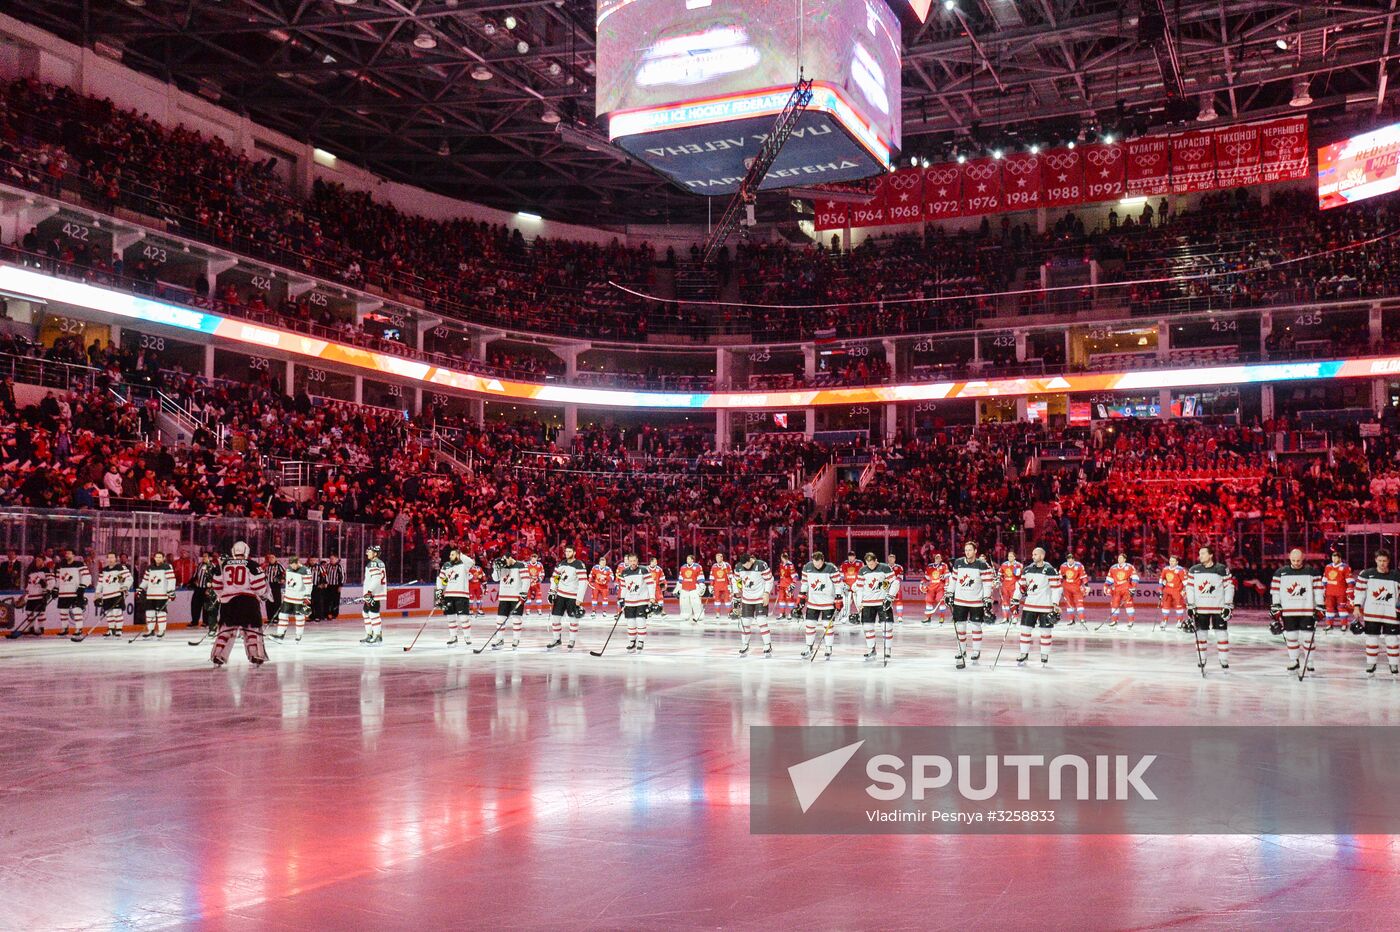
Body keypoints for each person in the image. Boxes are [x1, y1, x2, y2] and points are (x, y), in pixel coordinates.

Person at [209, 541, 270, 667]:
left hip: (228, 603)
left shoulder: (223, 565)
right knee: (251, 629)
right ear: (246, 551)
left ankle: (218, 655)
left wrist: (223, 594)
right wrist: (262, 594)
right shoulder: (252, 564)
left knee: (226, 630)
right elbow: (259, 586)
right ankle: (256, 654)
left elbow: (216, 585)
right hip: (248, 601)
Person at [1269, 548, 1323, 674]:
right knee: (1291, 637)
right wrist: (1276, 606)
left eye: (1298, 560)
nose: (1296, 562)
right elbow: (1275, 591)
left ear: (1303, 558)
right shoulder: (1281, 572)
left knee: (1308, 638)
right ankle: (1294, 661)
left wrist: (1320, 606)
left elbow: (1319, 590)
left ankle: (1309, 662)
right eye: (1293, 560)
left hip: (1307, 610)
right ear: (1289, 557)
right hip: (1288, 611)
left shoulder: (1312, 572)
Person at [1185, 545, 1235, 671]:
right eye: (1199, 553)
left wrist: (1228, 605)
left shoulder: (1221, 569)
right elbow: (1189, 588)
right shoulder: (1193, 570)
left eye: (1203, 553)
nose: (1200, 556)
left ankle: (1223, 660)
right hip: (1200, 609)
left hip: (1218, 608)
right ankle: (1201, 659)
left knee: (1222, 635)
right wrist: (1191, 605)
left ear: (1211, 555)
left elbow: (1229, 587)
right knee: (1201, 635)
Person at [1352, 550, 1400, 677]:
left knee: (1392, 640)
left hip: (1392, 615)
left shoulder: (1396, 576)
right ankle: (1371, 664)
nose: (1382, 563)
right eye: (1380, 561)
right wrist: (1357, 607)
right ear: (1375, 560)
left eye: (1384, 561)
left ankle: (1394, 665)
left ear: (1389, 561)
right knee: (1372, 639)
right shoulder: (1366, 574)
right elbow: (1359, 592)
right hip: (1372, 613)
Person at [1012, 547, 1062, 666]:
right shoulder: (1027, 570)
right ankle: (1024, 653)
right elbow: (1021, 586)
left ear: (1042, 556)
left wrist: (1055, 604)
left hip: (1045, 606)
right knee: (1025, 630)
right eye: (1033, 554)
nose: (1033, 556)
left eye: (1036, 554)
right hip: (1029, 606)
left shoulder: (1050, 570)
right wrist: (1015, 600)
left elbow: (1057, 589)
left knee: (1045, 632)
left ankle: (1044, 655)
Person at [949, 541, 994, 667]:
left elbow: (987, 583)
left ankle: (976, 651)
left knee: (976, 626)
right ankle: (961, 650)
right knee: (960, 627)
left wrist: (987, 598)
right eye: (966, 550)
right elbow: (953, 580)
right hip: (960, 601)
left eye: (970, 550)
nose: (967, 552)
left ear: (975, 551)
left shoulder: (982, 564)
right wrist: (949, 593)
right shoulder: (958, 563)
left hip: (976, 602)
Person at [799, 551, 842, 660]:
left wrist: (838, 598)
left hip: (828, 602)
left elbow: (838, 584)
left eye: (818, 563)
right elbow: (804, 583)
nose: (816, 566)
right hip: (813, 602)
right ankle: (809, 647)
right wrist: (802, 596)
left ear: (823, 560)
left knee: (827, 625)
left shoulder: (831, 568)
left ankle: (828, 647)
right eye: (814, 563)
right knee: (809, 624)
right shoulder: (807, 567)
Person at [857, 552, 896, 662]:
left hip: (882, 602)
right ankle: (871, 649)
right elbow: (859, 588)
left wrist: (890, 597)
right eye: (868, 564)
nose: (870, 566)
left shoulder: (885, 568)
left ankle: (887, 649)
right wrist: (859, 603)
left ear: (876, 560)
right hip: (868, 603)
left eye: (872, 563)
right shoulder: (862, 571)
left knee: (887, 626)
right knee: (867, 628)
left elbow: (895, 582)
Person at [734, 553, 774, 657]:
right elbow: (736, 580)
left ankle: (767, 644)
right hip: (747, 599)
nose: (745, 567)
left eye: (746, 564)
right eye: (743, 565)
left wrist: (766, 593)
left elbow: (769, 580)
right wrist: (738, 590)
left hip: (760, 598)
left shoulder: (761, 565)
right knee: (745, 622)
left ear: (751, 560)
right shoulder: (739, 567)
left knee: (761, 621)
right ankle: (745, 644)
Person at [548, 545, 587, 650]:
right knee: (555, 618)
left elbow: (583, 582)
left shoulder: (579, 565)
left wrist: (579, 599)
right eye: (566, 551)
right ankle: (557, 639)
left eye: (569, 551)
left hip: (573, 597)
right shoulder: (561, 563)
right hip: (560, 595)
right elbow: (555, 577)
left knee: (573, 619)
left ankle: (572, 640)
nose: (567, 553)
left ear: (574, 552)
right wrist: (552, 591)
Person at [489, 553, 529, 650]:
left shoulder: (521, 565)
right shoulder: (503, 566)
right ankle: (499, 639)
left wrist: (523, 593)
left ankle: (516, 639)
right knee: (500, 619)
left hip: (516, 597)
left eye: (505, 560)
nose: (504, 562)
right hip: (503, 597)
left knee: (516, 619)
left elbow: (526, 580)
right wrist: (496, 568)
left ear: (510, 558)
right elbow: (495, 578)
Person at [435, 547, 474, 646]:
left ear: (457, 555)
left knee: (463, 618)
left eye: (452, 554)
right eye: (450, 555)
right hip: (449, 595)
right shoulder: (446, 566)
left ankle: (467, 637)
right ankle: (453, 637)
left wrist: (460, 554)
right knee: (450, 617)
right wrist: (439, 593)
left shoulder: (464, 564)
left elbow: (471, 562)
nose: (450, 556)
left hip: (462, 595)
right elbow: (440, 579)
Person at [272, 554, 314, 642]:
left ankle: (298, 635)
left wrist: (307, 597)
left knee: (299, 617)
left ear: (298, 562)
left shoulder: (305, 570)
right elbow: (288, 582)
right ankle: (280, 635)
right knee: (282, 616)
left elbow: (308, 585)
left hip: (299, 598)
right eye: (290, 564)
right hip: (288, 597)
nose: (292, 566)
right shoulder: (288, 569)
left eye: (293, 564)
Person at [138, 552, 177, 639]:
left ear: (163, 558)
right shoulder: (150, 568)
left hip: (162, 595)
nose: (158, 559)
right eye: (157, 557)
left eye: (160, 557)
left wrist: (171, 591)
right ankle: (150, 631)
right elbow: (146, 580)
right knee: (149, 613)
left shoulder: (167, 567)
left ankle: (161, 631)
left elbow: (171, 580)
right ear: (154, 558)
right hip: (150, 594)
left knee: (161, 614)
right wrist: (140, 588)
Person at [617, 553, 651, 652]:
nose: (632, 563)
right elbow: (623, 587)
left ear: (637, 561)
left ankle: (640, 641)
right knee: (630, 623)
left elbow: (650, 584)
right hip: (629, 602)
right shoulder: (624, 572)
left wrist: (652, 597)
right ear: (628, 561)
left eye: (634, 561)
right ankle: (632, 642)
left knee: (640, 621)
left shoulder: (644, 570)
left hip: (642, 601)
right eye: (630, 561)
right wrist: (622, 599)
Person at [55, 548, 92, 638]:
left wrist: (82, 586)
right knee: (63, 611)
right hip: (63, 592)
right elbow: (58, 578)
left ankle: (78, 629)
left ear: (73, 555)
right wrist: (56, 588)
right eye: (66, 553)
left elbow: (87, 576)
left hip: (75, 592)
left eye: (69, 553)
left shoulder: (79, 564)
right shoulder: (61, 565)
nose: (67, 554)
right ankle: (64, 628)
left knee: (76, 610)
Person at [21, 557, 55, 636]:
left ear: (43, 561)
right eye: (36, 560)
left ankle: (41, 628)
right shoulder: (32, 571)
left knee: (40, 612)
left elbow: (52, 581)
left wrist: (47, 591)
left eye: (39, 560)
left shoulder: (46, 570)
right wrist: (26, 592)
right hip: (31, 595)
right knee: (29, 612)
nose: (37, 562)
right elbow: (29, 584)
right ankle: (31, 628)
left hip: (40, 595)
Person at [360, 545, 387, 644]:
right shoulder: (378, 563)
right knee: (366, 613)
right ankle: (370, 634)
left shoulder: (373, 563)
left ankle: (377, 635)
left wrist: (369, 591)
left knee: (373, 614)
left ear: (375, 553)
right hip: (374, 593)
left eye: (369, 551)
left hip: (373, 594)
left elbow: (376, 578)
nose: (367, 553)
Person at [1322, 550, 1354, 631]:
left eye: (1336, 558)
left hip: (1341, 592)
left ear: (1339, 558)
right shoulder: (1328, 567)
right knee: (1329, 608)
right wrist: (1323, 590)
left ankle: (1344, 624)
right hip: (1329, 592)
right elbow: (1324, 580)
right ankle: (1329, 624)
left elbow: (1350, 581)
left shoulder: (1345, 567)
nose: (1334, 560)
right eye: (1333, 558)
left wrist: (1350, 592)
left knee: (1342, 609)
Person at [1105, 553, 1140, 629]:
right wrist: (1106, 586)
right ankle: (1114, 621)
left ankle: (1131, 621)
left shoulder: (1130, 567)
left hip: (1126, 589)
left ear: (1124, 559)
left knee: (1128, 605)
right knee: (1114, 605)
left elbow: (1135, 578)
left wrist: (1133, 587)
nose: (1119, 559)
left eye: (1121, 558)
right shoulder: (1113, 568)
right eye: (1118, 558)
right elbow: (1109, 580)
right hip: (1116, 590)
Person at [190, 552, 219, 632]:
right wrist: (192, 582)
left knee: (206, 606)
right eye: (203, 556)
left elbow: (214, 578)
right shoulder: (199, 565)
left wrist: (210, 589)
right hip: (198, 588)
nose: (203, 558)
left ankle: (205, 622)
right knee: (195, 605)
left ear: (210, 558)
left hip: (207, 589)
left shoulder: (213, 566)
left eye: (205, 556)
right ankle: (194, 621)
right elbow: (195, 575)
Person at [1158, 556, 1188, 632]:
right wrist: (1160, 590)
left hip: (1177, 591)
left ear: (1177, 562)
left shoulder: (1181, 570)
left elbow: (1185, 582)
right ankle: (1164, 621)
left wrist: (1185, 591)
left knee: (1179, 606)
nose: (1171, 562)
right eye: (1170, 561)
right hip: (1167, 590)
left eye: (1173, 561)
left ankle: (1179, 622)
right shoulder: (1165, 569)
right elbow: (1161, 580)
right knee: (1165, 606)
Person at [674, 554, 706, 625]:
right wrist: (677, 589)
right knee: (684, 602)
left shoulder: (698, 567)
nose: (687, 560)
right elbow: (680, 579)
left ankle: (698, 615)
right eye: (687, 559)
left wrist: (701, 585)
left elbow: (700, 577)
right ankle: (686, 614)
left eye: (689, 559)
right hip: (684, 588)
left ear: (692, 560)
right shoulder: (683, 567)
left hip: (694, 588)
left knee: (696, 602)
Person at [1058, 553, 1087, 628]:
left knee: (1079, 604)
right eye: (1068, 559)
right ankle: (1071, 620)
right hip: (1067, 588)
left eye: (1071, 559)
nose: (1069, 560)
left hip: (1076, 588)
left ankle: (1082, 619)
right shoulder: (1063, 566)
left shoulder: (1079, 566)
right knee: (1069, 604)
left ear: (1074, 559)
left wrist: (1086, 586)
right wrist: (1059, 585)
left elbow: (1083, 576)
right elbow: (1061, 577)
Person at [998, 550, 1023, 625]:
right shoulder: (1004, 565)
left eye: (1011, 556)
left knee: (1014, 602)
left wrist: (1013, 567)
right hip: (1005, 586)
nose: (1009, 558)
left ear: (1015, 557)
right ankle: (1005, 617)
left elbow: (1017, 574)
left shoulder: (1018, 565)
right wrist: (999, 579)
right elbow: (1000, 574)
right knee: (1005, 603)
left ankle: (1015, 617)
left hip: (1014, 586)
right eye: (1008, 556)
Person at [922, 552, 948, 625]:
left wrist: (946, 585)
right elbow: (926, 578)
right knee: (928, 600)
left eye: (939, 556)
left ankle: (942, 617)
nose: (937, 557)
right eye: (936, 556)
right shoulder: (929, 566)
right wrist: (922, 583)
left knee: (941, 600)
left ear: (941, 559)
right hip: (931, 587)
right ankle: (928, 617)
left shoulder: (944, 566)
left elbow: (947, 576)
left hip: (940, 586)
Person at [263, 553, 286, 626]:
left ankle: (276, 618)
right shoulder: (266, 566)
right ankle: (270, 618)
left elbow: (284, 573)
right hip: (267, 585)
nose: (271, 559)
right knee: (268, 601)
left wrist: (281, 579)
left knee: (277, 601)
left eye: (273, 557)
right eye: (269, 557)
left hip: (276, 585)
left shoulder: (279, 566)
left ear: (276, 558)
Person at [709, 552, 732, 616]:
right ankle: (717, 613)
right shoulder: (714, 566)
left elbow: (730, 576)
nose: (717, 559)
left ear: (722, 558)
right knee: (717, 600)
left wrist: (730, 585)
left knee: (727, 600)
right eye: (716, 558)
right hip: (717, 586)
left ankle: (729, 613)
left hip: (725, 585)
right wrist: (711, 585)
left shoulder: (727, 565)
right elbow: (712, 577)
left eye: (718, 557)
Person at [885, 553, 905, 622]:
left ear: (895, 559)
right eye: (890, 558)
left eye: (892, 558)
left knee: (899, 601)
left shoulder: (899, 567)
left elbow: (900, 578)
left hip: (896, 587)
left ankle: (900, 616)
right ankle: (888, 616)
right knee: (887, 601)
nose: (891, 559)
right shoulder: (885, 567)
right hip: (887, 587)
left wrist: (894, 582)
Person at [775, 554, 796, 620]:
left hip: (788, 585)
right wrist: (779, 582)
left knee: (790, 599)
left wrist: (793, 583)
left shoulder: (790, 565)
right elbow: (781, 575)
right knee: (781, 599)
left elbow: (795, 575)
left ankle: (791, 613)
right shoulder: (781, 564)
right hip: (782, 585)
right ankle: (782, 614)